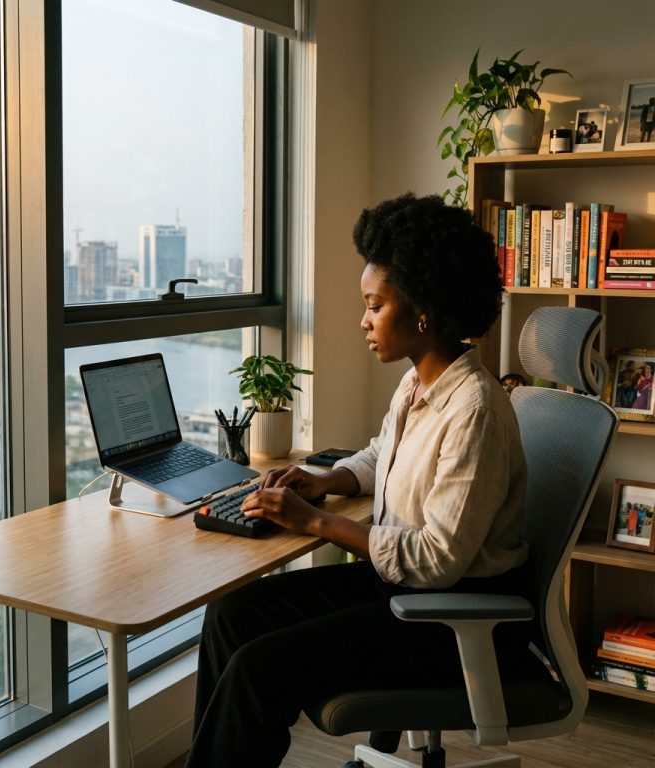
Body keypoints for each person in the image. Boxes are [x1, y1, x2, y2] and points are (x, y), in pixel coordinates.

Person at [185, 193, 530, 768]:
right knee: (231, 615)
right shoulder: (421, 381)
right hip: (404, 593)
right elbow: (382, 454)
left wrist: (315, 522)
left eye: (374, 306)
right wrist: (331, 480)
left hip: (451, 619)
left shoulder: (475, 410)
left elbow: (437, 559)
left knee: (258, 669)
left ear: (422, 309)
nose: (363, 321)